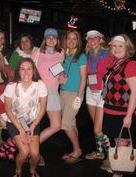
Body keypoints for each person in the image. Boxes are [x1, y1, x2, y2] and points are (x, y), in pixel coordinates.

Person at [102, 34, 136, 177]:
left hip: (124, 112)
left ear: (127, 48)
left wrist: (129, 116)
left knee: (123, 142)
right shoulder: (114, 63)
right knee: (117, 140)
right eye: (114, 45)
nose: (117, 48)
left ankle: (118, 173)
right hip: (112, 110)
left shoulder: (132, 65)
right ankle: (118, 167)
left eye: (120, 45)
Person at [4, 58, 47, 177]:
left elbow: (42, 108)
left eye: (29, 68)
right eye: (22, 69)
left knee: (35, 154)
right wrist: (21, 129)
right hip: (15, 122)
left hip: (32, 121)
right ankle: (18, 169)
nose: (26, 72)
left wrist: (32, 126)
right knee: (25, 152)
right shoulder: (11, 86)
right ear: (18, 71)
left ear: (34, 70)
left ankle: (32, 169)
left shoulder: (40, 85)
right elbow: (8, 109)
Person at [31, 28, 65, 165]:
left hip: (53, 92)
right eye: (48, 37)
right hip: (39, 91)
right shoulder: (37, 53)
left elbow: (60, 70)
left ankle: (32, 146)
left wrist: (63, 76)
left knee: (57, 125)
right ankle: (34, 153)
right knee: (34, 125)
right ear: (45, 39)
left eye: (54, 37)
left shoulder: (61, 53)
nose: (51, 39)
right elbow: (28, 70)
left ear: (57, 39)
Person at [58, 30, 87, 163]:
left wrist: (79, 97)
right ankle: (77, 149)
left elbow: (83, 78)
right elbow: (61, 73)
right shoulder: (64, 55)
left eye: (74, 39)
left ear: (78, 41)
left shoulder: (81, 56)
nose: (71, 41)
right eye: (69, 38)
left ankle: (77, 150)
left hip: (74, 94)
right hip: (63, 92)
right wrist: (60, 78)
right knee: (72, 123)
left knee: (65, 124)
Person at [84, 30, 111, 165]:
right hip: (90, 91)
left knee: (97, 129)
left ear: (101, 39)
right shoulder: (88, 53)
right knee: (96, 125)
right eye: (90, 39)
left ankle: (111, 156)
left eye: (95, 38)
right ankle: (100, 153)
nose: (92, 41)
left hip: (102, 92)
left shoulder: (108, 53)